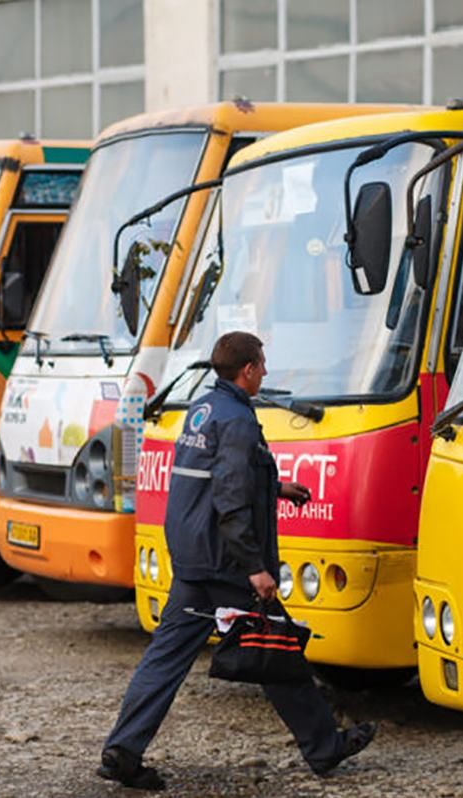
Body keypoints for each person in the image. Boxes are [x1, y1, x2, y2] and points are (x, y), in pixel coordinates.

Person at [98, 331, 376, 790]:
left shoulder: (203, 408)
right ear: (247, 369)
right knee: (278, 650)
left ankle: (122, 751)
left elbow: (218, 478)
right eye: (262, 364)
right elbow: (228, 500)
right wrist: (255, 567)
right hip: (226, 562)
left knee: (166, 658)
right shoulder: (239, 420)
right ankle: (324, 747)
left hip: (192, 556)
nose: (265, 371)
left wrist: (275, 487)